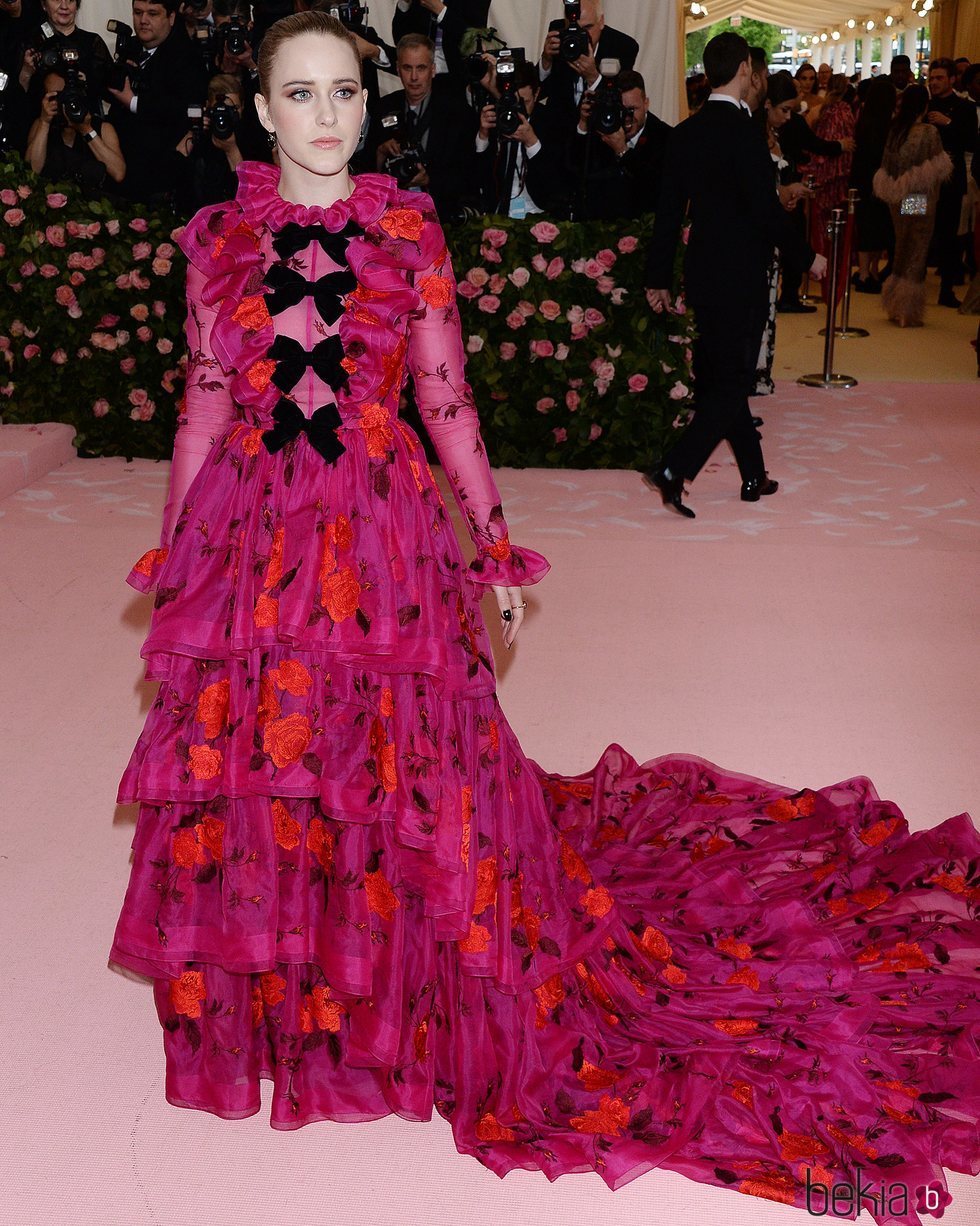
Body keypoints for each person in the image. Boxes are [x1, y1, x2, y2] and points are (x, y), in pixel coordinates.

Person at [107, 12, 980, 1218]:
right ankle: (298, 993)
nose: (325, 116)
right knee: (273, 767)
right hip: (251, 545)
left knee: (394, 770)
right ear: (259, 111)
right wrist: (177, 555)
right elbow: (202, 405)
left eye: (344, 92)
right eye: (299, 95)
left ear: (370, 102)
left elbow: (443, 393)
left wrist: (495, 539)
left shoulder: (405, 230)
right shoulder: (216, 238)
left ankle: (383, 995)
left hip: (380, 539)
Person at [643, 32, 786, 517]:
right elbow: (768, 212)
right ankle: (674, 467)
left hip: (702, 273)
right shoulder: (746, 133)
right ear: (745, 67)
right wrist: (809, 257)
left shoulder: (686, 133)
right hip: (742, 277)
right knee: (732, 381)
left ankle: (753, 475)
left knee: (719, 378)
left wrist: (657, 278)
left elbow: (667, 214)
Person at [106, 0, 208, 204]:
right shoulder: (130, 47)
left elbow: (185, 109)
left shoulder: (188, 57)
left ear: (170, 17)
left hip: (163, 174)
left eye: (153, 14)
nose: (143, 20)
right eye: (138, 12)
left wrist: (133, 102)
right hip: (121, 170)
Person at [367, 32, 473, 220]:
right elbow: (365, 174)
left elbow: (467, 171)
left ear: (433, 69)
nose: (414, 77)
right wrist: (381, 152)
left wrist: (430, 179)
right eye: (408, 68)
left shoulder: (456, 111)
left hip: (441, 214)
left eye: (421, 68)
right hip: (391, 216)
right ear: (398, 69)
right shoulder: (384, 108)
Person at [873, 84, 953, 327]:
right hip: (918, 198)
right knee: (917, 250)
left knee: (901, 246)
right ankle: (907, 310)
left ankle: (895, 305)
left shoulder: (896, 130)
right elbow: (937, 167)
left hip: (895, 198)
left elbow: (886, 164)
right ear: (925, 105)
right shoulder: (928, 132)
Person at [569, 67, 671, 221]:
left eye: (632, 109)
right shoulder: (603, 130)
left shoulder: (666, 137)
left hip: (646, 229)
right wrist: (583, 124)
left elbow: (656, 189)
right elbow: (574, 169)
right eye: (621, 110)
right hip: (602, 229)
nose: (627, 117)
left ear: (646, 103)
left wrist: (623, 151)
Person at [924, 58, 978, 306]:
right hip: (919, 183)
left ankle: (946, 289)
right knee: (913, 226)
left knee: (948, 235)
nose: (934, 82)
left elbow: (971, 143)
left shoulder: (965, 108)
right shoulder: (922, 104)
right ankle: (908, 280)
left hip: (950, 183)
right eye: (931, 78)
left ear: (952, 79)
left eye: (939, 78)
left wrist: (948, 123)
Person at [537, 0, 638, 129]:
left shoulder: (622, 47)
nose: (580, 35)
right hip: (559, 131)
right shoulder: (560, 35)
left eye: (587, 28)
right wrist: (546, 60)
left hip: (598, 132)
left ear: (601, 22)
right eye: (574, 28)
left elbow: (619, 103)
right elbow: (539, 92)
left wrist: (593, 77)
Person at [25, 62, 125, 190]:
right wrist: (45, 123)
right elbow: (30, 173)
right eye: (55, 96)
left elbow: (119, 173)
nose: (62, 103)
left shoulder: (102, 128)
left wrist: (87, 130)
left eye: (67, 96)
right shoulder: (41, 124)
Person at [849, 73, 897, 292]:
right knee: (879, 229)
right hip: (881, 186)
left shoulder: (864, 123)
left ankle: (866, 272)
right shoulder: (888, 127)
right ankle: (872, 271)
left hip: (863, 184)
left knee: (867, 229)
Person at [391, 0, 488, 81]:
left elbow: (475, 37)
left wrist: (440, 11)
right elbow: (401, 42)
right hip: (423, 79)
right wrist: (405, 3)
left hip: (459, 78)